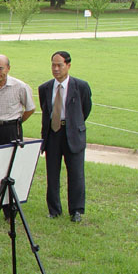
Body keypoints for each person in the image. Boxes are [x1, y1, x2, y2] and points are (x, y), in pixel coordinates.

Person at [38, 51, 92, 222]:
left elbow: (85, 109)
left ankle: (76, 210)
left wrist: (74, 124)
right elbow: (45, 110)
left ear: (68, 65)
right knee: (52, 173)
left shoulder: (81, 86)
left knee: (76, 173)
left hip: (73, 134)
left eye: (59, 65)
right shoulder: (45, 88)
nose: (56, 68)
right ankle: (54, 209)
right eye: (53, 65)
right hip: (53, 134)